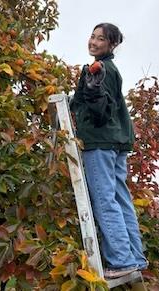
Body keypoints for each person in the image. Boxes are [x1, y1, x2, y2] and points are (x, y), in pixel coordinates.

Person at [70, 23, 148, 279]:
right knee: (121, 200)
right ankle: (135, 257)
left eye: (100, 39)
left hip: (99, 143)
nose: (93, 41)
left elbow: (100, 111)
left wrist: (92, 93)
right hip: (116, 143)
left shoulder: (100, 69)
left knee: (105, 200)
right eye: (92, 36)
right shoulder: (110, 69)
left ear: (111, 44)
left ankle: (122, 260)